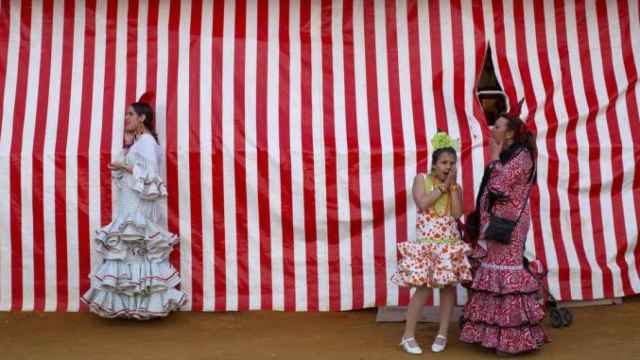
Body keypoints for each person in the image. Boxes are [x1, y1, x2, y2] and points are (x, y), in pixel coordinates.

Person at [81, 93, 187, 319]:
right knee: (129, 252)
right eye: (126, 114)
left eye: (130, 114)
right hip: (131, 201)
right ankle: (135, 306)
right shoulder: (140, 142)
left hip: (139, 203)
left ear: (142, 117)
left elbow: (151, 176)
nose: (126, 118)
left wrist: (126, 167)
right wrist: (126, 152)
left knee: (136, 249)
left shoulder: (147, 142)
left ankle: (143, 306)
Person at [459, 113, 546, 354]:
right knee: (494, 273)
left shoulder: (522, 156)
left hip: (508, 226)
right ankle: (496, 336)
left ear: (508, 133)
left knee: (507, 275)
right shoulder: (513, 155)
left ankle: (512, 341)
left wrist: (494, 158)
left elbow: (499, 186)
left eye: (496, 126)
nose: (491, 129)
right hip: (496, 223)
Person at [392, 132, 472, 354]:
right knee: (423, 289)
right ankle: (408, 336)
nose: (448, 166)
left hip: (449, 244)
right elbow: (423, 202)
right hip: (428, 245)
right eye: (444, 162)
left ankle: (442, 333)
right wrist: (444, 186)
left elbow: (456, 214)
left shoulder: (456, 187)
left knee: (448, 289)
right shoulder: (422, 179)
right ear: (434, 164)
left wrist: (453, 187)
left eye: (452, 163)